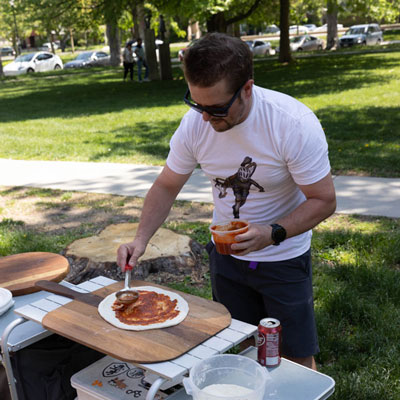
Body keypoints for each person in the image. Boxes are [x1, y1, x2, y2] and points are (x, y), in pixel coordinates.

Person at [116, 33, 336, 371]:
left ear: (247, 88)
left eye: (217, 108)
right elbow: (166, 186)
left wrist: (271, 232)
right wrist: (140, 239)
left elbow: (323, 200)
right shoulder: (195, 125)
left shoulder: (292, 124)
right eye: (195, 103)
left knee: (293, 355)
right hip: (226, 257)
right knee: (244, 346)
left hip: (283, 257)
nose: (205, 117)